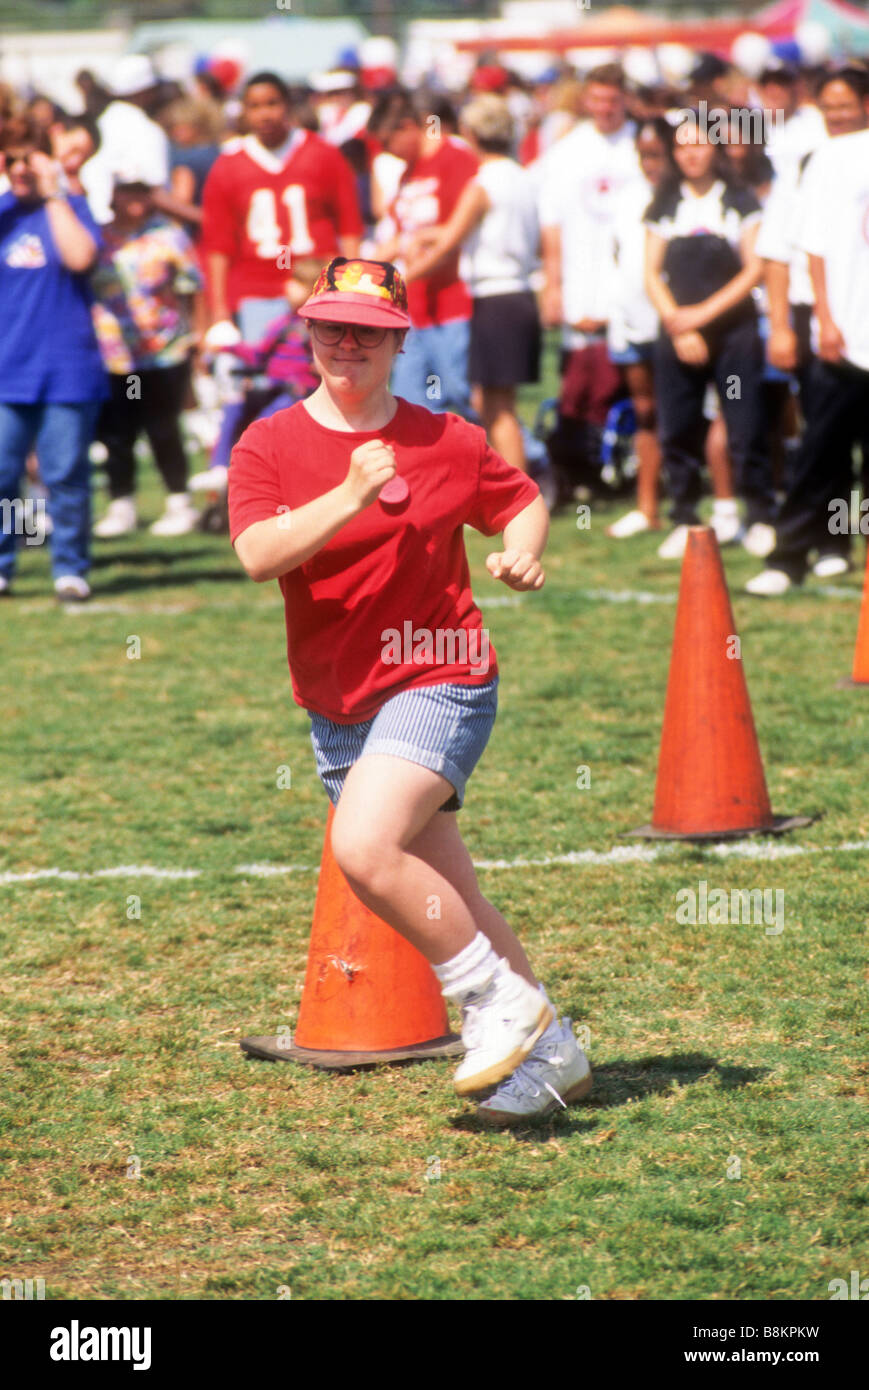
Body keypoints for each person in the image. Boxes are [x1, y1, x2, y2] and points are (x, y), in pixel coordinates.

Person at [227, 256, 592, 1125]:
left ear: (397, 341)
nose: (345, 344)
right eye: (329, 326)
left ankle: (491, 1003)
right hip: (338, 700)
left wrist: (524, 549)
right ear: (307, 332)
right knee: (447, 890)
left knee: (362, 847)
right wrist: (350, 493)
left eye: (367, 331)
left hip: (441, 670)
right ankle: (555, 1051)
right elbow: (256, 555)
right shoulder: (267, 443)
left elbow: (522, 498)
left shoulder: (448, 438)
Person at [644, 113, 777, 559]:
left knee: (744, 424)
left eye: (699, 144)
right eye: (682, 147)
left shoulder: (739, 199)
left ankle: (758, 515)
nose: (691, 154)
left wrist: (703, 315)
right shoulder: (665, 204)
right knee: (678, 427)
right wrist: (678, 323)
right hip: (678, 333)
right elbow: (650, 272)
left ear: (716, 149)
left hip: (733, 331)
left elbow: (755, 268)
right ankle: (685, 517)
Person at [746, 123, 869, 595]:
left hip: (847, 324)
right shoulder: (800, 187)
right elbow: (778, 260)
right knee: (822, 448)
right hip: (822, 328)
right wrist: (784, 326)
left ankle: (837, 544)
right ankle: (792, 551)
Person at [403, 94, 541, 472]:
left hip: (494, 298)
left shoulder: (482, 182)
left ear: (472, 133)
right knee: (498, 404)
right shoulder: (521, 176)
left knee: (498, 410)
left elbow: (451, 241)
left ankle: (520, 493)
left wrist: (400, 279)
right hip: (521, 295)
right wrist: (429, 235)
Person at [0, 117, 106, 600]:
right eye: (12, 158)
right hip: (8, 372)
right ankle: (4, 563)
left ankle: (70, 567)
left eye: (30, 157)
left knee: (65, 473)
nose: (21, 168)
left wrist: (53, 192)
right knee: (4, 477)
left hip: (67, 371)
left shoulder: (71, 208)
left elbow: (81, 257)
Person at [538, 64, 645, 496]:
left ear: (625, 99)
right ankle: (579, 470)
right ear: (586, 100)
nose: (604, 109)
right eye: (597, 100)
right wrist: (553, 285)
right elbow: (552, 223)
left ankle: (630, 464)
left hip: (632, 282)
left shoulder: (642, 143)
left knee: (631, 379)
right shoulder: (568, 151)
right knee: (581, 381)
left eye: (612, 100)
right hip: (581, 282)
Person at [201, 71, 362, 346]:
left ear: (287, 105)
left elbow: (349, 225)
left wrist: (350, 286)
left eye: (272, 103)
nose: (264, 114)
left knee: (325, 377)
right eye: (255, 106)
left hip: (319, 286)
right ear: (243, 111)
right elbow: (218, 244)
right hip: (257, 292)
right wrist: (219, 310)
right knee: (266, 381)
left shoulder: (323, 154)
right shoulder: (228, 165)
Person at [90, 172, 203, 538]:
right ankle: (122, 502)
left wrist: (198, 338)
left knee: (163, 427)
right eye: (128, 191)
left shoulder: (168, 236)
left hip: (164, 353)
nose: (135, 199)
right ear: (114, 194)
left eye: (143, 190)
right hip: (118, 357)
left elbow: (191, 286)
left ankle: (178, 500)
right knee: (119, 430)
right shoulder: (99, 237)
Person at [372, 89, 479, 416]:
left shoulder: (455, 159)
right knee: (411, 402)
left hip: (453, 302)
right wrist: (360, 272)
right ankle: (422, 468)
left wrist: (399, 278)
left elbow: (452, 238)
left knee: (464, 395)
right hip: (414, 307)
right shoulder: (409, 173)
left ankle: (528, 456)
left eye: (389, 143)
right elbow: (400, 238)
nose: (389, 154)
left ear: (408, 127)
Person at [604, 117, 676, 538]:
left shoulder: (682, 197)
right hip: (630, 321)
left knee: (683, 415)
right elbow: (617, 257)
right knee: (646, 413)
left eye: (657, 155)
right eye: (644, 156)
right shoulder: (628, 198)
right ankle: (646, 506)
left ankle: (696, 504)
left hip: (673, 321)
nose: (650, 164)